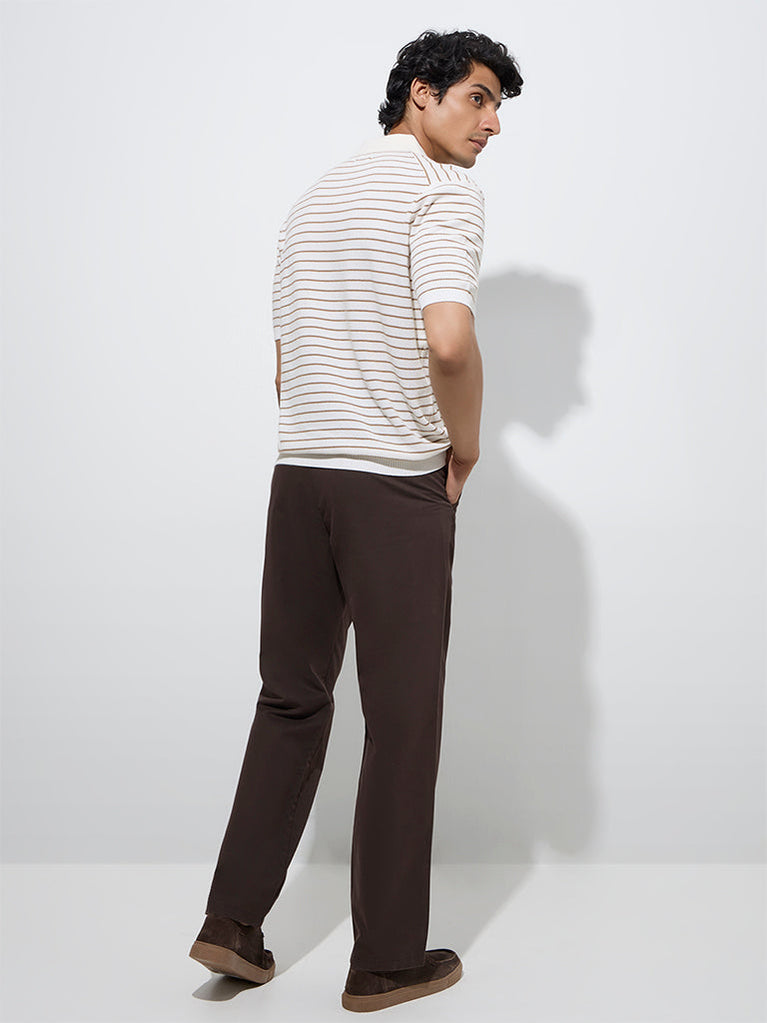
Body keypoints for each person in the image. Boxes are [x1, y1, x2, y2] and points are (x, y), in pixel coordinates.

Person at [189, 27, 523, 1013]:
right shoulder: (441, 193)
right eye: (476, 98)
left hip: (300, 478)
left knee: (288, 699)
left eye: (499, 106)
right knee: (402, 720)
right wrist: (464, 444)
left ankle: (231, 923)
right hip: (390, 487)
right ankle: (384, 960)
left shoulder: (314, 199)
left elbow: (285, 363)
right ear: (419, 93)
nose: (492, 124)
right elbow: (449, 341)